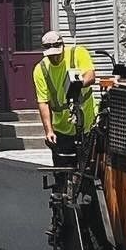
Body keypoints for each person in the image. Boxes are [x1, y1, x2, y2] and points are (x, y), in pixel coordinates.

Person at [33, 28, 97, 167]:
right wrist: (49, 130)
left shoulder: (77, 53)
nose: (54, 58)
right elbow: (43, 102)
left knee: (87, 172)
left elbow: (91, 76)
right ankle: (63, 187)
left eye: (57, 54)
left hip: (87, 123)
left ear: (63, 47)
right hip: (62, 128)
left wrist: (76, 85)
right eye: (51, 56)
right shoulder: (41, 69)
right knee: (62, 170)